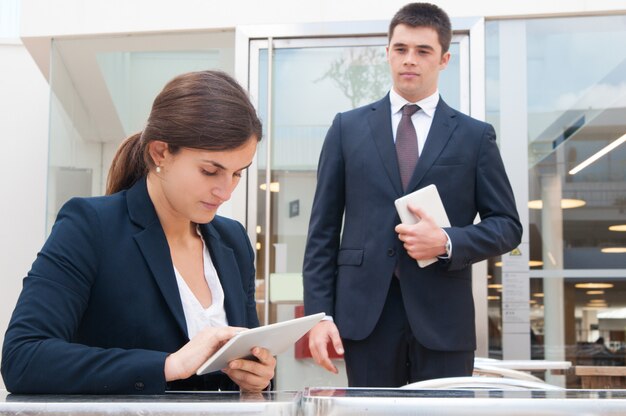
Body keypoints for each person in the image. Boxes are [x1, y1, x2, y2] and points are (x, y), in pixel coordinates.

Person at [1, 70, 275, 394]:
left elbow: (248, 365)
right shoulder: (90, 227)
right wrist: (168, 365)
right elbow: (24, 358)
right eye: (210, 171)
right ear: (160, 153)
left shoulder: (233, 241)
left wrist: (258, 376)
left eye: (237, 174)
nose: (225, 191)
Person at [303, 3, 522, 387]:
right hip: (364, 317)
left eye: (423, 51)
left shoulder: (474, 137)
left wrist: (447, 241)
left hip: (443, 319)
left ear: (444, 59)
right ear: (387, 52)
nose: (410, 60)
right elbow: (321, 233)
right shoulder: (346, 129)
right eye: (401, 49)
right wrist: (320, 316)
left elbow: (507, 226)